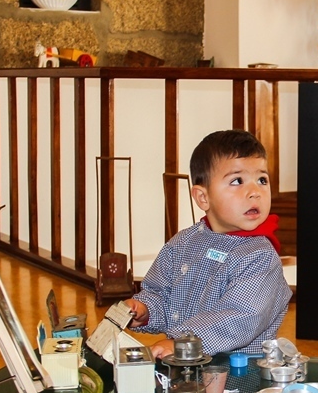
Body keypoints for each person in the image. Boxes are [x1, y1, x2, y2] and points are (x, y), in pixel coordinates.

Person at [124, 130, 292, 359]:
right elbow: (160, 293)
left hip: (238, 372)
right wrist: (145, 310)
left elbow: (238, 317)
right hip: (185, 368)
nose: (255, 192)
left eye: (262, 180)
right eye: (237, 181)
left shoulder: (260, 256)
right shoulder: (183, 242)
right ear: (203, 198)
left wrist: (183, 342)